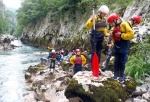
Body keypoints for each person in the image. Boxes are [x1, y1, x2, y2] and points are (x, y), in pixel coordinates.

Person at [107, 14, 141, 81]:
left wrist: (121, 35)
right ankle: (115, 75)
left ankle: (121, 75)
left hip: (124, 45)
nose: (111, 24)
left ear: (115, 20)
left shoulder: (124, 24)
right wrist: (111, 37)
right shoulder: (116, 26)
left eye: (111, 22)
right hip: (117, 45)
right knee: (116, 61)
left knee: (122, 61)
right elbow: (114, 36)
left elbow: (131, 34)